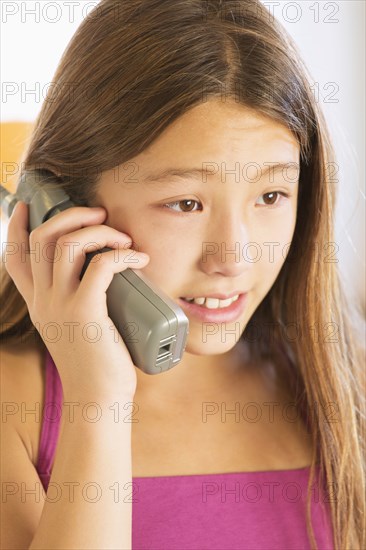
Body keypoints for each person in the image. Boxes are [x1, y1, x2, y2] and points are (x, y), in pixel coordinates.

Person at [1, 1, 364, 549]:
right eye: (185, 203)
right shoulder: (14, 406)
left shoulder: (345, 381)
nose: (233, 256)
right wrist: (97, 403)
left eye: (271, 195)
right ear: (64, 205)